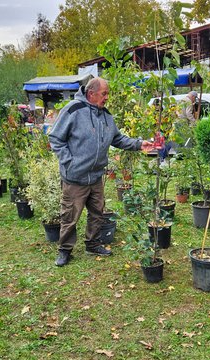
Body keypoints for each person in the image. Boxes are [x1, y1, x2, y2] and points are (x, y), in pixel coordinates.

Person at [48, 77, 153, 267]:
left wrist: (139, 144)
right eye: (104, 94)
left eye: (107, 94)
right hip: (75, 177)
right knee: (70, 216)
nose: (107, 98)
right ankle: (65, 250)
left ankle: (93, 243)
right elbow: (55, 138)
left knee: (97, 213)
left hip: (96, 176)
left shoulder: (106, 116)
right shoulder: (73, 110)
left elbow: (118, 139)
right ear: (91, 93)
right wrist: (69, 162)